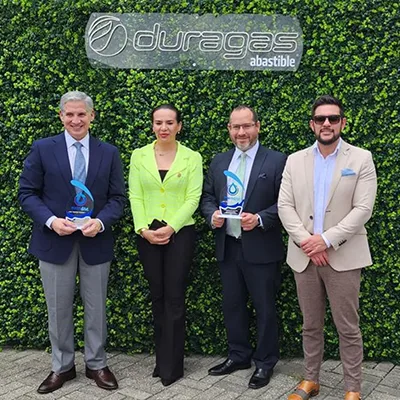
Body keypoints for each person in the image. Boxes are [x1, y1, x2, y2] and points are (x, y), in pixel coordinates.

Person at [18, 91, 126, 394]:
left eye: (81, 114)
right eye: (70, 114)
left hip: (95, 240)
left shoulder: (109, 152)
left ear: (92, 116)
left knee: (96, 307)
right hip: (55, 241)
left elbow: (118, 198)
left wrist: (100, 222)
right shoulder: (42, 149)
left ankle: (97, 364)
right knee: (58, 308)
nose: (76, 120)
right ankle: (62, 366)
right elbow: (27, 193)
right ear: (61, 116)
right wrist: (51, 221)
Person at [278, 95, 377, 400]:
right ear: (312, 124)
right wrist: (308, 242)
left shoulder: (361, 158)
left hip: (343, 256)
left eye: (333, 118)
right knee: (310, 325)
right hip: (304, 256)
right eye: (320, 118)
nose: (326, 124)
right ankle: (311, 380)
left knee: (347, 327)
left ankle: (352, 388)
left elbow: (363, 209)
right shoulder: (295, 160)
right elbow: (284, 205)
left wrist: (326, 239)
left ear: (342, 123)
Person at [201, 105, 287, 390]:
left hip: (261, 247)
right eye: (236, 127)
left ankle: (265, 362)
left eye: (247, 126)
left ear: (257, 127)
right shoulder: (219, 161)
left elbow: (286, 203)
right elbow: (207, 197)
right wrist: (212, 215)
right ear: (229, 129)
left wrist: (260, 218)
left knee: (265, 308)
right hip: (228, 246)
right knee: (233, 305)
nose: (241, 132)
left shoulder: (276, 161)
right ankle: (238, 355)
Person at [128, 104, 203, 386]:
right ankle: (161, 361)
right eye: (158, 122)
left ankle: (173, 367)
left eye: (170, 122)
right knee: (157, 296)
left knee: (174, 297)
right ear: (152, 125)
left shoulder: (192, 157)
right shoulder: (138, 155)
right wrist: (142, 229)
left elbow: (193, 198)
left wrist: (171, 226)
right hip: (147, 234)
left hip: (180, 233)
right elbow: (135, 195)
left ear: (179, 126)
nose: (164, 128)